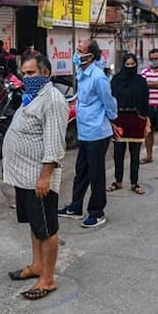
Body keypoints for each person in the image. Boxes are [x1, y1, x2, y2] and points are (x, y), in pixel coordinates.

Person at [3, 54, 69, 301]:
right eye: (24, 73)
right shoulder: (32, 97)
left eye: (31, 73)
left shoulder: (52, 99)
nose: (26, 77)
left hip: (38, 177)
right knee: (35, 224)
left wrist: (45, 177)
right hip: (24, 176)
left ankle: (48, 279)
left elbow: (54, 142)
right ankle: (37, 265)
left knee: (47, 228)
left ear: (45, 73)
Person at [58, 39, 117, 228]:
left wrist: (112, 120)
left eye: (79, 50)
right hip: (84, 130)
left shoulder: (98, 77)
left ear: (90, 56)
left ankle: (97, 211)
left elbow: (109, 102)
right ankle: (75, 207)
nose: (76, 53)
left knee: (96, 174)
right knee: (81, 170)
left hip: (98, 132)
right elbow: (82, 98)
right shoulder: (82, 73)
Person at [107, 53, 150, 195]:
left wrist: (147, 122)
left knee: (135, 154)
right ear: (123, 65)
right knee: (118, 154)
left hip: (136, 120)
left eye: (133, 64)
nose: (130, 67)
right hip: (119, 120)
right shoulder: (116, 80)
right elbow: (111, 100)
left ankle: (134, 183)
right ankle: (118, 181)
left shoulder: (141, 81)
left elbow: (145, 102)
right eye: (128, 64)